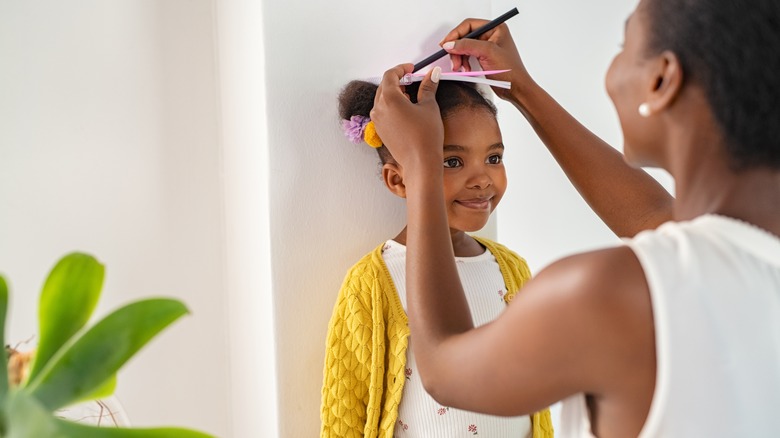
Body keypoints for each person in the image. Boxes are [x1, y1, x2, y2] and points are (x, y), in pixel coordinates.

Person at [369, 0, 780, 436]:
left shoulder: (609, 293)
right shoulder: (752, 258)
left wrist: (422, 165)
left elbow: (445, 367)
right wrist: (523, 89)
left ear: (661, 79)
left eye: (624, 47)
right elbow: (655, 216)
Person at [320, 79, 554, 437]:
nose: (481, 179)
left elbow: (535, 387)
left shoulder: (512, 269)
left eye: (494, 157)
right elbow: (346, 413)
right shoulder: (373, 281)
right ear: (398, 181)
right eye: (453, 161)